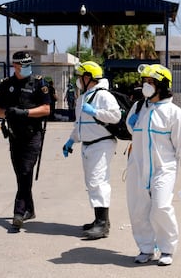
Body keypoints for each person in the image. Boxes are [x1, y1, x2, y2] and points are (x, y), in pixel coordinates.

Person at [125, 64, 181, 266]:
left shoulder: (173, 112)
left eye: (151, 82)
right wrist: (133, 118)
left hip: (163, 168)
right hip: (137, 166)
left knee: (161, 206)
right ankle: (146, 248)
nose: (146, 86)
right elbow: (131, 129)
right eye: (145, 82)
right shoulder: (138, 107)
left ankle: (167, 249)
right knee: (138, 209)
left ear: (162, 86)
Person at [62, 61, 121, 239]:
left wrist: (95, 111)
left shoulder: (103, 96)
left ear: (88, 77)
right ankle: (99, 220)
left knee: (98, 182)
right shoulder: (83, 97)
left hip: (101, 144)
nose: (79, 80)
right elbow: (79, 124)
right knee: (91, 183)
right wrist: (71, 140)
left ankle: (102, 224)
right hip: (88, 145)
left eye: (81, 77)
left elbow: (115, 116)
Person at [0, 51, 50, 229]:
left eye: (29, 64)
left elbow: (46, 109)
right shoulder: (6, 84)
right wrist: (8, 113)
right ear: (15, 66)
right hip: (14, 135)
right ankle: (30, 209)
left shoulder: (39, 82)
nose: (27, 67)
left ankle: (18, 212)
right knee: (21, 174)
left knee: (26, 171)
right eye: (24, 65)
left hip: (33, 134)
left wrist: (25, 113)